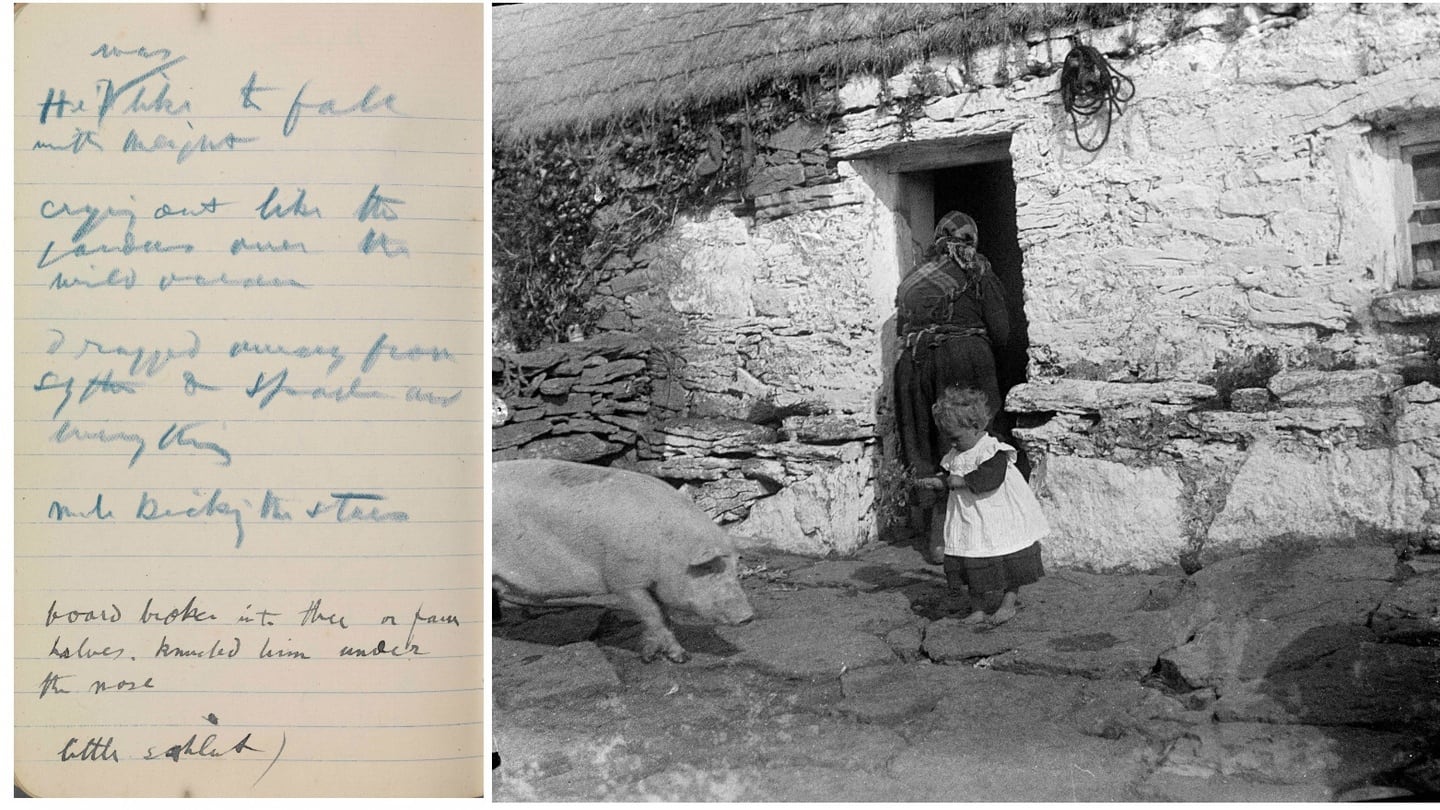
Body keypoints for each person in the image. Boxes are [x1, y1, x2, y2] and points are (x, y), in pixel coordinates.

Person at [894, 211, 1010, 564]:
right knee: (966, 441)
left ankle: (935, 537)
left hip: (912, 365)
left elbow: (902, 327)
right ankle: (973, 533)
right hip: (961, 361)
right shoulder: (978, 272)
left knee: (923, 443)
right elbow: (1002, 331)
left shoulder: (914, 279)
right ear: (971, 240)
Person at [918, 385, 1046, 625]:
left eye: (956, 438)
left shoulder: (991, 450)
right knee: (970, 556)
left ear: (976, 427)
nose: (952, 444)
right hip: (969, 518)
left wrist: (964, 481)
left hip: (996, 514)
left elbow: (991, 478)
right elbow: (949, 474)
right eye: (949, 439)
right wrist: (939, 481)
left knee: (1006, 557)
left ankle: (1008, 603)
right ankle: (977, 607)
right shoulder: (957, 453)